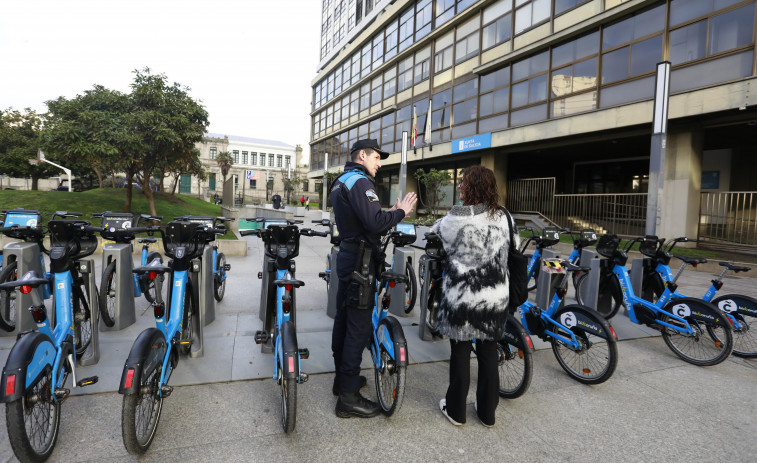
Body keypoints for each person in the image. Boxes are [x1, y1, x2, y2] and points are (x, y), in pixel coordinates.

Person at [330, 138, 417, 418]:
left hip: (348, 256)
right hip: (361, 263)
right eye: (377, 158)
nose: (379, 164)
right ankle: (348, 398)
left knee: (344, 322)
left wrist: (387, 213)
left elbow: (365, 219)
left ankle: (343, 381)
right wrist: (401, 212)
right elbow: (374, 224)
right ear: (363, 155)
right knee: (358, 327)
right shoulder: (360, 182)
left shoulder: (342, 180)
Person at [433, 165, 517, 428]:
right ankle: (487, 413)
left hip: (462, 298)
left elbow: (437, 233)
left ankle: (457, 411)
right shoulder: (504, 215)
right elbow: (512, 247)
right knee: (489, 352)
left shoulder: (457, 216)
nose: (459, 187)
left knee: (460, 351)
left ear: (471, 187)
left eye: (462, 183)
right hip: (495, 297)